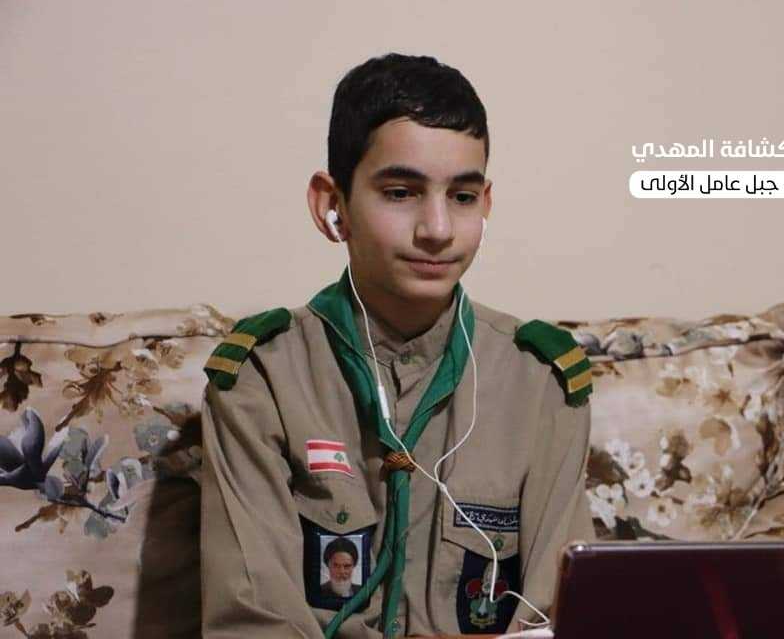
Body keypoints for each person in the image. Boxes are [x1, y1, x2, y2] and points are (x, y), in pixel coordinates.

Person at [200, 52, 594, 639]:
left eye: (462, 197)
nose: (438, 229)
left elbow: (555, 617)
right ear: (332, 204)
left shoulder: (540, 382)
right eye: (401, 192)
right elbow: (256, 622)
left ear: (486, 204)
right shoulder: (263, 378)